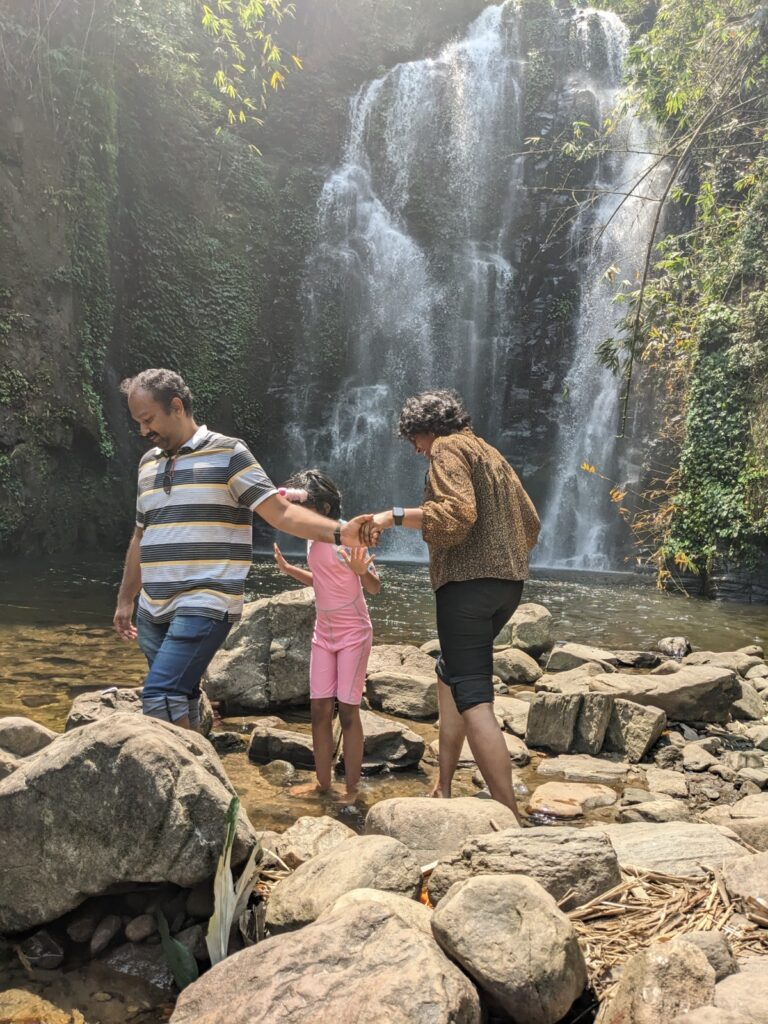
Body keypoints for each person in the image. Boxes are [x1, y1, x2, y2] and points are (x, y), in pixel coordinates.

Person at [113, 368, 379, 731]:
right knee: (182, 694)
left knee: (159, 695)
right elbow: (141, 535)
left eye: (148, 419)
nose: (143, 431)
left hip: (205, 601)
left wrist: (342, 533)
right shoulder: (147, 464)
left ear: (176, 406)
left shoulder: (229, 453)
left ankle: (174, 766)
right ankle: (198, 764)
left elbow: (281, 512)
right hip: (153, 608)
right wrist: (126, 599)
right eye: (138, 423)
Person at [366, 390, 540, 820]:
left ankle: (508, 815)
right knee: (450, 673)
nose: (416, 449)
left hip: (466, 589)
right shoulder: (491, 454)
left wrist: (393, 516)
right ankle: (443, 784)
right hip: (508, 587)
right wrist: (503, 557)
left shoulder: (446, 449)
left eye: (414, 439)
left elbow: (458, 514)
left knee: (474, 697)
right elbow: (531, 521)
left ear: (427, 429)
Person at [273, 470, 380, 804]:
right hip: (324, 633)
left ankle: (351, 789)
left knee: (347, 712)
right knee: (319, 710)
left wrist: (362, 573)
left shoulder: (348, 535)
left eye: (305, 506)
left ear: (324, 508)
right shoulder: (312, 537)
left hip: (353, 633)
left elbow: (374, 587)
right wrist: (290, 570)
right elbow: (323, 579)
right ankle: (322, 784)